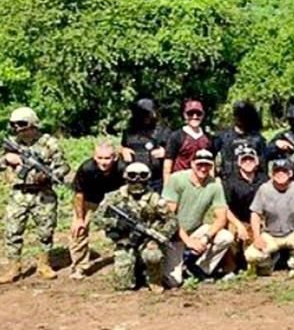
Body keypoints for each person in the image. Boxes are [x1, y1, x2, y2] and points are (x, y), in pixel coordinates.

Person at [0, 107, 70, 284]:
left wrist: (49, 174)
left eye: (22, 124)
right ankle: (13, 268)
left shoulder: (49, 143)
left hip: (43, 194)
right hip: (18, 193)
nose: (18, 128)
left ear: (32, 123)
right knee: (12, 231)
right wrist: (8, 159)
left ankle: (44, 265)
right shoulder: (11, 143)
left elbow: (64, 166)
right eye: (14, 125)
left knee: (45, 232)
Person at [92, 162, 178, 292]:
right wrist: (116, 223)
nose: (137, 180)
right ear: (126, 177)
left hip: (147, 240)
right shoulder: (114, 197)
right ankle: (135, 271)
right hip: (125, 241)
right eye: (133, 176)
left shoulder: (155, 198)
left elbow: (172, 220)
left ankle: (154, 280)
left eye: (142, 176)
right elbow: (97, 218)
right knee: (122, 285)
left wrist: (159, 235)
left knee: (153, 255)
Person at [161, 149, 233, 286]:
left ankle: (198, 268)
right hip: (174, 235)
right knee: (174, 282)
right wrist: (187, 241)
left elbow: (221, 217)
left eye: (207, 165)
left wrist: (206, 237)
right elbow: (169, 216)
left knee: (226, 237)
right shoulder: (177, 179)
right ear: (192, 164)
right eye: (199, 164)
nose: (203, 168)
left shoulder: (214, 185)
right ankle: (176, 264)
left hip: (196, 230)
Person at [244, 159, 294, 276]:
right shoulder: (264, 189)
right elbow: (255, 214)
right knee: (251, 255)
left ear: (290, 173)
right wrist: (257, 237)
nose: (280, 174)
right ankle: (268, 263)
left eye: (284, 171)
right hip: (271, 233)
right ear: (271, 174)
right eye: (277, 171)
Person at [69, 140, 125, 279]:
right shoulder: (86, 168)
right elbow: (78, 194)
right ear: (94, 157)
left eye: (107, 158)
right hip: (90, 201)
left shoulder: (122, 168)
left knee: (126, 229)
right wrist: (79, 219)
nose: (104, 162)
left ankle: (125, 263)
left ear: (115, 157)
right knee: (78, 231)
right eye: (100, 158)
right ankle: (80, 267)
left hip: (114, 202)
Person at [221, 145, 266, 261]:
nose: (248, 162)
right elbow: (225, 207)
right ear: (239, 163)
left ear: (256, 162)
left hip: (260, 220)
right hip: (237, 219)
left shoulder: (265, 180)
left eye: (251, 159)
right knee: (230, 234)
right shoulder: (230, 182)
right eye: (244, 160)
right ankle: (230, 266)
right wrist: (238, 225)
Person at [120, 98, 169, 192]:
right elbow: (122, 147)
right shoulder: (129, 132)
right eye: (144, 114)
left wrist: (165, 152)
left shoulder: (163, 131)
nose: (148, 117)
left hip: (155, 180)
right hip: (132, 178)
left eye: (149, 114)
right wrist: (123, 150)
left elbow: (175, 152)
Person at [163, 99, 213, 184]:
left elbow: (212, 164)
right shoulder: (176, 136)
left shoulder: (208, 137)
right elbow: (168, 164)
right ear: (185, 115)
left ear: (203, 115)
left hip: (202, 184)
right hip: (180, 183)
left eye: (198, 113)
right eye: (190, 113)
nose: (194, 116)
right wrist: (167, 188)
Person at [213, 100, 266, 178]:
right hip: (228, 180)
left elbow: (263, 163)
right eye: (239, 116)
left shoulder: (257, 138)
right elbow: (210, 157)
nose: (241, 119)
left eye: (244, 116)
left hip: (251, 181)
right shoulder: (223, 137)